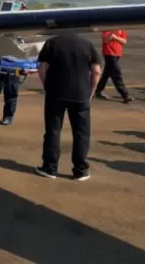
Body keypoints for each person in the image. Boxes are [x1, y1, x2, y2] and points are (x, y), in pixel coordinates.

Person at [35, 32, 102, 181]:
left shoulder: (51, 43)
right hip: (81, 94)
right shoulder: (87, 44)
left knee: (53, 131)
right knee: (81, 133)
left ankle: (50, 167)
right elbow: (96, 71)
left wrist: (47, 86)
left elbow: (42, 68)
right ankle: (81, 170)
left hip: (56, 93)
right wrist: (91, 91)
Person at [95, 30, 133, 103]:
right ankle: (125, 95)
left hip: (117, 54)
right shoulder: (107, 29)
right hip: (109, 54)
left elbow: (124, 41)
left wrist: (114, 37)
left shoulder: (122, 30)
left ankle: (98, 91)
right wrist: (112, 33)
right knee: (116, 74)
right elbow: (106, 40)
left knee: (107, 74)